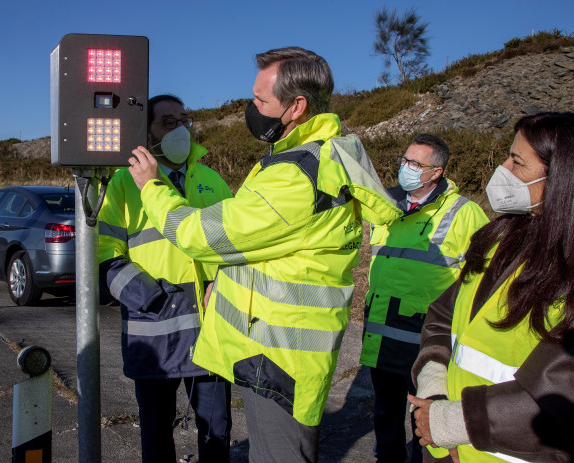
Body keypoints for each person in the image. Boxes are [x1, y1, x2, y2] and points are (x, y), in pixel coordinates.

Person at [127, 47, 401, 463]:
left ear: (296, 106)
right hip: (274, 349)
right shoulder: (316, 156)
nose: (251, 108)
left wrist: (151, 187)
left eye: (260, 100)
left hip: (280, 359)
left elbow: (201, 235)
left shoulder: (295, 175)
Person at [408, 112, 574, 462]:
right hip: (446, 442)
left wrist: (455, 422)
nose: (503, 170)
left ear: (562, 177)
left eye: (517, 161)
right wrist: (435, 389)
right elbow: (443, 315)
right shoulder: (501, 239)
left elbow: (562, 391)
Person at [98, 94, 234, 463]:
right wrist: (153, 298)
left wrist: (223, 286)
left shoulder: (212, 180)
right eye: (168, 122)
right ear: (147, 134)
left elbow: (236, 248)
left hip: (211, 331)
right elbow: (105, 256)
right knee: (157, 434)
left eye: (184, 120)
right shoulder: (123, 184)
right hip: (153, 333)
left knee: (217, 432)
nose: (181, 129)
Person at [360, 134, 488, 463]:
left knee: (426, 422)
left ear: (436, 172)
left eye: (416, 164)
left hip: (426, 340)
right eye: (405, 160)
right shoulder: (385, 206)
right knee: (385, 415)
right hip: (380, 333)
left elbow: (485, 279)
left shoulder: (465, 213)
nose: (407, 168)